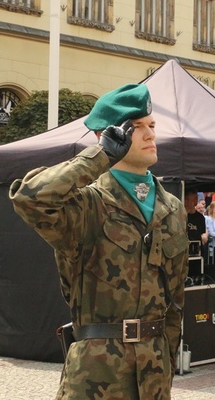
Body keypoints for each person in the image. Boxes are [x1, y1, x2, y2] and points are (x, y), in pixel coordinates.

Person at [10, 83, 188, 398]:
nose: (149, 135)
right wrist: (99, 157)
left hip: (155, 373)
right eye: (135, 128)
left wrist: (167, 360)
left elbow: (174, 302)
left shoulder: (172, 208)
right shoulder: (86, 204)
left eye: (152, 126)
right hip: (97, 376)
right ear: (106, 136)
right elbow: (29, 199)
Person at [184, 190, 207, 266]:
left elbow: (202, 233)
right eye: (193, 200)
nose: (195, 202)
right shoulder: (181, 216)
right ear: (186, 200)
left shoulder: (200, 217)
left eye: (196, 199)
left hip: (197, 253)